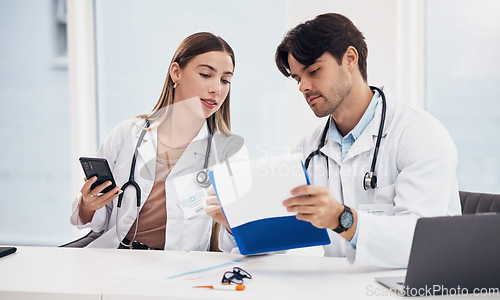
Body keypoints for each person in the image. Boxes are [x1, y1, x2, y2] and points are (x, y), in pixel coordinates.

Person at [275, 13, 461, 267]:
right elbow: (278, 239)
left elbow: (422, 240)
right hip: (339, 287)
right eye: (298, 78)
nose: (303, 87)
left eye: (314, 71)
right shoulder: (308, 150)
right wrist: (236, 225)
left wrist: (342, 219)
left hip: (409, 288)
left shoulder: (419, 134)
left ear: (350, 58)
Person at [70, 32, 245, 250]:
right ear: (176, 72)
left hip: (179, 271)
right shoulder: (128, 133)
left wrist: (230, 222)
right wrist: (88, 204)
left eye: (225, 80)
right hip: (114, 258)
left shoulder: (229, 151)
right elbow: (95, 221)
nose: (217, 89)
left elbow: (236, 242)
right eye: (205, 74)